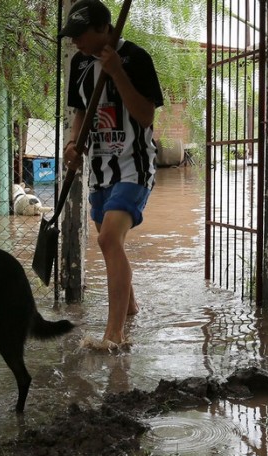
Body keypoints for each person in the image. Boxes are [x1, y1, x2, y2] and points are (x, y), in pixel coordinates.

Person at [58, 0, 163, 349]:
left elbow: (146, 116)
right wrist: (73, 144)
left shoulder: (136, 58)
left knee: (107, 240)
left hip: (134, 166)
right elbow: (79, 111)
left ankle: (114, 334)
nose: (76, 42)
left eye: (80, 35)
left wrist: (117, 71)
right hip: (99, 170)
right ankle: (130, 308)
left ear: (104, 28)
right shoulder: (79, 63)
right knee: (109, 240)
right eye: (71, 36)